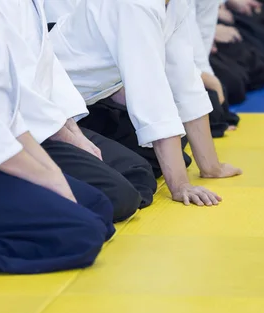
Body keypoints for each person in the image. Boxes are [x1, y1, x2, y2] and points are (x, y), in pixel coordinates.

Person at [48, 0, 242, 206]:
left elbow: (184, 79)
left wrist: (211, 166)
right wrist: (180, 185)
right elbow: (151, 93)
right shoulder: (135, 5)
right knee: (139, 180)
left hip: (89, 103)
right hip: (54, 110)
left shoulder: (175, 5)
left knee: (164, 152)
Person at [0, 0, 158, 222]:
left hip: (47, 121)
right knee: (116, 198)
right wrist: (62, 135)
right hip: (17, 132)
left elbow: (49, 70)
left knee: (138, 172)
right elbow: (14, 90)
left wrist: (73, 131)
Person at [0, 4, 115, 274]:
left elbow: (9, 115)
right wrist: (48, 179)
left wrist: (53, 173)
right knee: (82, 234)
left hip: (4, 151)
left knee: (99, 208)